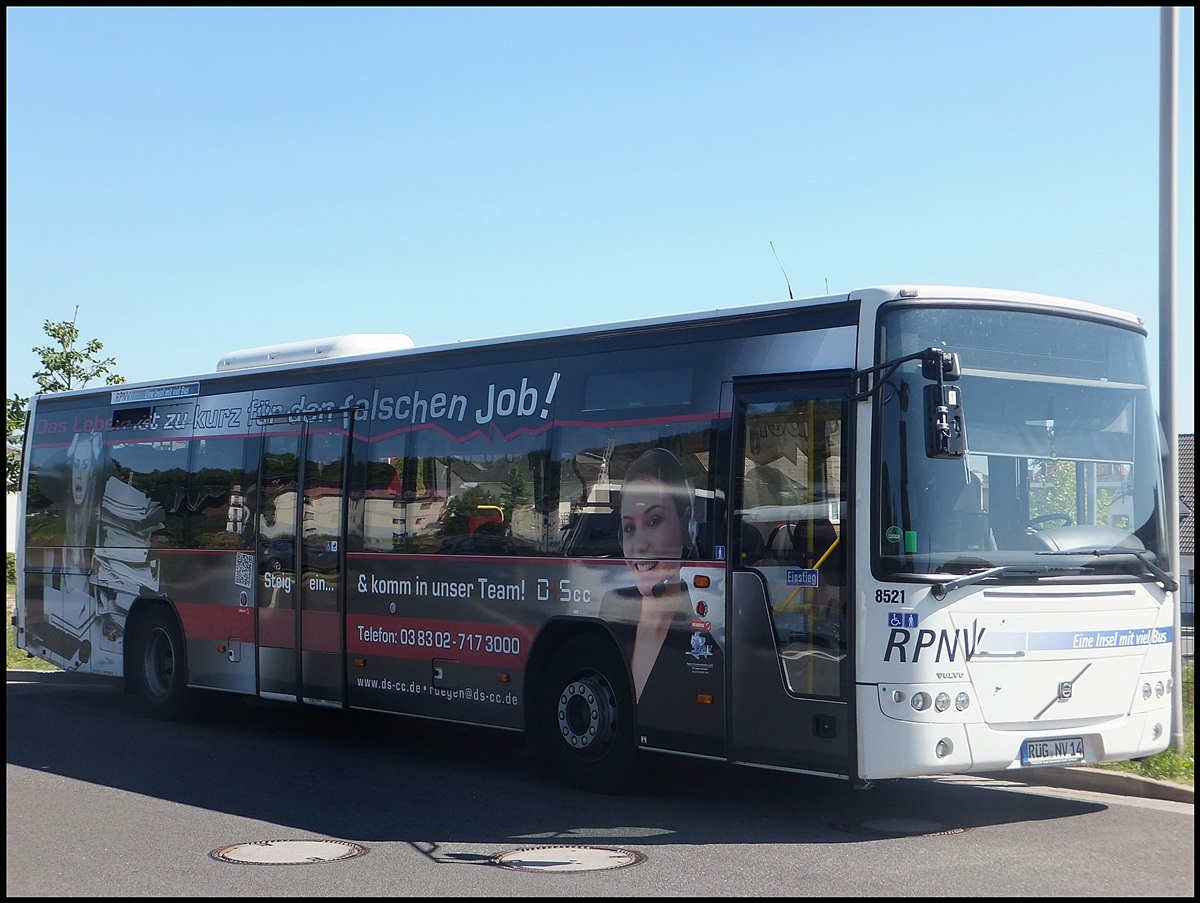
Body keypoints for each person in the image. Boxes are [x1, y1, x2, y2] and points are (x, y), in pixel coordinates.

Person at [598, 447, 723, 755]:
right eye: (629, 527)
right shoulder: (613, 606)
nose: (639, 545)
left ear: (686, 521)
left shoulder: (706, 627)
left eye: (654, 521)